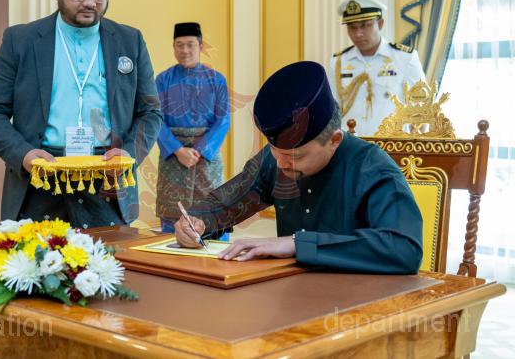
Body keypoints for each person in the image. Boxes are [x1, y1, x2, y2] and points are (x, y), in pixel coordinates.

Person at [175, 61, 423, 274]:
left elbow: (404, 248)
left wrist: (297, 244)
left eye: (296, 156)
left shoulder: (373, 168)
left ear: (334, 140)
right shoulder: (275, 160)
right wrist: (196, 222)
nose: (281, 164)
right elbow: (225, 203)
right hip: (288, 295)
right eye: (276, 152)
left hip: (360, 303)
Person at [0, 0, 161, 228]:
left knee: (108, 258)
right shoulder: (21, 40)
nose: (90, 2)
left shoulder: (130, 41)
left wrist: (129, 154)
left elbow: (151, 112)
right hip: (39, 178)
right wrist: (23, 154)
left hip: (106, 181)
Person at [155, 22, 230, 234]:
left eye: (190, 44)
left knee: (213, 210)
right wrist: (178, 150)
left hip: (206, 156)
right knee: (172, 213)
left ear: (200, 46)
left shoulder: (217, 80)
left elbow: (223, 120)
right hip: (173, 157)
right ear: (173, 47)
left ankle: (216, 251)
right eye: (179, 45)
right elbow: (155, 119)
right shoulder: (162, 80)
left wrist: (200, 151)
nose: (185, 50)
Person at [327, 0, 426, 136]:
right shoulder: (338, 62)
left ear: (380, 24)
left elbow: (421, 109)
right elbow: (330, 111)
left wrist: (417, 145)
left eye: (365, 25)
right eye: (352, 27)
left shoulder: (405, 58)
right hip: (350, 144)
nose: (358, 34)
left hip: (391, 145)